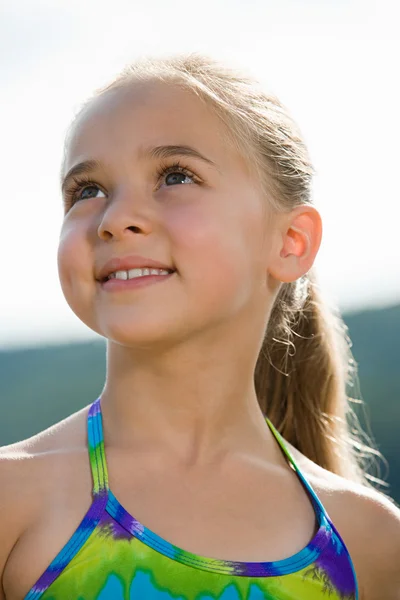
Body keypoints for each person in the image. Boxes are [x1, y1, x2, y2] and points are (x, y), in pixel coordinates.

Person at [0, 52, 399, 600]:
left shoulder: (370, 541)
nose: (115, 218)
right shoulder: (12, 500)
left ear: (290, 242)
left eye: (175, 176)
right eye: (87, 190)